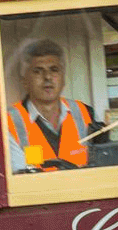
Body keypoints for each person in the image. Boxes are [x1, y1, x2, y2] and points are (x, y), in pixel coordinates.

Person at [7, 39, 97, 172]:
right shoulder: (9, 122)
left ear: (63, 78)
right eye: (38, 71)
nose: (48, 77)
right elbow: (19, 179)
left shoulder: (85, 112)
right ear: (24, 81)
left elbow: (100, 164)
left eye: (54, 70)